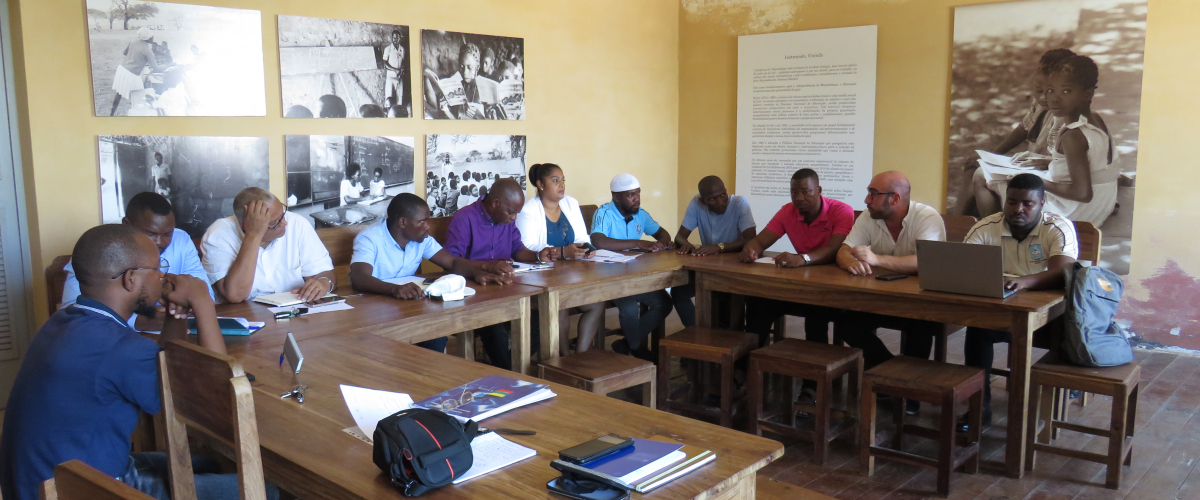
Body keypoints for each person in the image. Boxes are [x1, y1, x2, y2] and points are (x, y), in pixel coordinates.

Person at [0, 224, 278, 500]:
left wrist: (175, 315)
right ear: (130, 279)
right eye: (157, 269)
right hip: (84, 488)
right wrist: (201, 299)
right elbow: (217, 402)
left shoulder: (65, 321)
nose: (163, 276)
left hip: (39, 479)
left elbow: (165, 368)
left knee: (206, 463)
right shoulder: (120, 346)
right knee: (269, 491)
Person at [960, 173, 1078, 429]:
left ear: (1042, 202)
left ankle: (1050, 396)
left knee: (1066, 329)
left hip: (1051, 319)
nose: (1018, 209)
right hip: (1005, 312)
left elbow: (1062, 272)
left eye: (1027, 204)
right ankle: (979, 409)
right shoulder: (985, 228)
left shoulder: (1058, 227)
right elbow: (965, 266)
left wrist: (1025, 282)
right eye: (1012, 202)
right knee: (977, 327)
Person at [835, 171, 946, 413]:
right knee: (847, 323)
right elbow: (845, 249)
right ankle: (888, 372)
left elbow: (927, 262)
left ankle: (909, 394)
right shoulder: (869, 216)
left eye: (873, 194)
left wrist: (876, 259)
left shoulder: (927, 217)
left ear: (895, 198)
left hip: (920, 304)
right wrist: (849, 262)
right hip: (882, 299)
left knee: (921, 325)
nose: (866, 199)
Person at [350, 194, 510, 353]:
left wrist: (478, 271)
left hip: (407, 308)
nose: (427, 227)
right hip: (373, 313)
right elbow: (359, 278)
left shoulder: (421, 239)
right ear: (402, 222)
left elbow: (452, 262)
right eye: (422, 221)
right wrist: (394, 289)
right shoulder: (369, 239)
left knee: (435, 335)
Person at [61, 192, 213, 331]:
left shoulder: (181, 240)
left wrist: (176, 308)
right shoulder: (100, 248)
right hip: (115, 339)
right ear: (127, 224)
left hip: (173, 333)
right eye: (150, 233)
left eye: (167, 234)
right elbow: (71, 309)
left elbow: (205, 292)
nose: (159, 242)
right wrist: (136, 320)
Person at [445, 179, 555, 369]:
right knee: (495, 327)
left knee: (542, 316)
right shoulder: (465, 218)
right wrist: (487, 266)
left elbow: (517, 249)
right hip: (476, 294)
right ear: (495, 203)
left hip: (506, 289)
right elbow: (452, 261)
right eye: (511, 212)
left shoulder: (506, 220)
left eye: (516, 213)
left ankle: (511, 364)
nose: (514, 218)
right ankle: (507, 373)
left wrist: (538, 254)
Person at [740, 169, 855, 347]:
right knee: (757, 301)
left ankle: (814, 371)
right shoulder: (787, 212)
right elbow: (760, 241)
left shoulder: (841, 211)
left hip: (834, 288)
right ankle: (748, 363)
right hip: (802, 286)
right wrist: (751, 249)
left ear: (819, 190)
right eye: (794, 192)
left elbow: (835, 249)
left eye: (806, 192)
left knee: (815, 315)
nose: (799, 198)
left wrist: (803, 258)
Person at [959, 49, 1075, 216]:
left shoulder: (1064, 116)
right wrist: (993, 153)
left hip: (1047, 172)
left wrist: (1046, 161)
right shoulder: (1041, 104)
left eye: (1048, 91)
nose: (1042, 97)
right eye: (1038, 90)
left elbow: (1067, 163)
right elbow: (1024, 127)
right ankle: (957, 220)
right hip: (1031, 163)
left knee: (980, 175)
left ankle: (990, 228)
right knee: (973, 164)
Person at [515, 163, 604, 354]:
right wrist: (563, 252)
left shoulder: (570, 203)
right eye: (555, 180)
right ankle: (563, 358)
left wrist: (586, 249)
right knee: (560, 305)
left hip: (571, 275)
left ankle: (579, 357)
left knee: (597, 304)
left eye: (563, 180)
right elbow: (527, 247)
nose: (561, 185)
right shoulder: (528, 210)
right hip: (540, 279)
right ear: (540, 184)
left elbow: (582, 238)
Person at [202, 187, 335, 303]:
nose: (284, 223)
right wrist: (253, 236)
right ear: (245, 225)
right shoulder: (218, 234)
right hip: (246, 316)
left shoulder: (297, 223)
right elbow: (235, 295)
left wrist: (323, 283)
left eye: (283, 215)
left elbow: (325, 272)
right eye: (274, 223)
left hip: (295, 310)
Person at [591, 173, 673, 360]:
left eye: (638, 193)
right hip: (609, 278)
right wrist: (637, 243)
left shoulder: (640, 215)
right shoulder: (604, 213)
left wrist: (662, 243)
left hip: (635, 277)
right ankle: (637, 348)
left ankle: (626, 343)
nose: (636, 199)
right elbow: (599, 241)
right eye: (630, 195)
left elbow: (663, 233)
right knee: (628, 308)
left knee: (664, 302)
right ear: (616, 197)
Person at [1041, 54, 1118, 227]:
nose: (1055, 98)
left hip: (1074, 213)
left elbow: (1083, 193)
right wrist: (1044, 162)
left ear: (1087, 94)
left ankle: (1002, 245)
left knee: (984, 179)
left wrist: (1038, 183)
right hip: (1101, 205)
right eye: (1051, 90)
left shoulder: (1073, 135)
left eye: (1066, 91)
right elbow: (1091, 164)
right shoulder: (1097, 119)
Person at [671, 175, 757, 327]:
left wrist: (718, 247)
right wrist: (687, 244)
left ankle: (723, 337)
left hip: (735, 269)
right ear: (703, 200)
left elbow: (751, 240)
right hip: (708, 268)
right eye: (712, 199)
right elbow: (679, 237)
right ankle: (696, 331)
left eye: (723, 195)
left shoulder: (739, 203)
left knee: (726, 313)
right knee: (679, 292)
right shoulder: (696, 203)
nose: (720, 202)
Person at [110, 27, 166, 116]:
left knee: (119, 93)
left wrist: (136, 57)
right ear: (148, 38)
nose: (153, 38)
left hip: (122, 69)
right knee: (140, 95)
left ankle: (111, 114)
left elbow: (125, 53)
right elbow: (156, 68)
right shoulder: (148, 51)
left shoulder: (133, 42)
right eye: (152, 36)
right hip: (132, 74)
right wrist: (170, 66)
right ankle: (140, 114)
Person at [382, 30, 405, 107]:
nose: (396, 40)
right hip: (390, 77)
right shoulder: (387, 49)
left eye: (397, 38)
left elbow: (403, 62)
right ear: (392, 38)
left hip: (399, 77)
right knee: (389, 98)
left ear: (400, 38)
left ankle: (399, 115)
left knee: (400, 98)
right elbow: (385, 63)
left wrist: (401, 69)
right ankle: (389, 115)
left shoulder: (402, 49)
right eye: (394, 38)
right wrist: (395, 69)